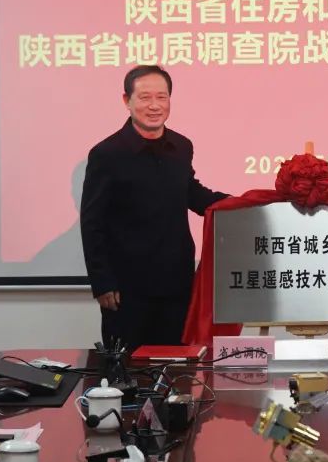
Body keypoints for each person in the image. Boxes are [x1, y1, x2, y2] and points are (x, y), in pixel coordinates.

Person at [80, 65, 226, 351]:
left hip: (176, 282)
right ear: (127, 101)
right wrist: (102, 282)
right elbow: (92, 222)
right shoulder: (107, 154)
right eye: (145, 97)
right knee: (127, 368)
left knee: (175, 367)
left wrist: (242, 203)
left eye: (162, 97)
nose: (155, 105)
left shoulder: (181, 147)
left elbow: (192, 193)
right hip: (126, 289)